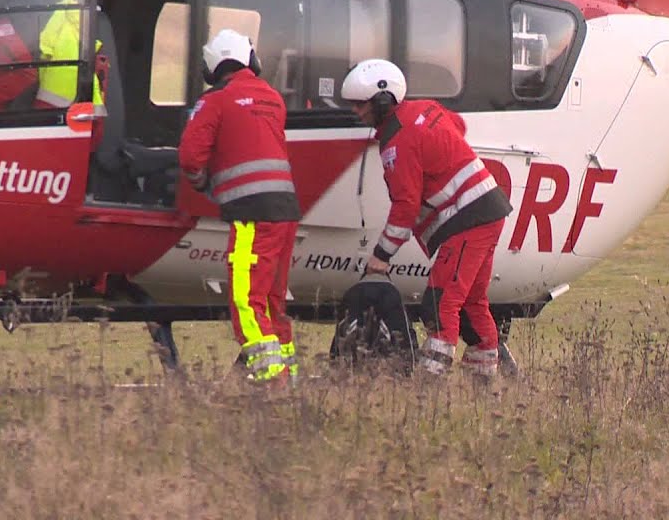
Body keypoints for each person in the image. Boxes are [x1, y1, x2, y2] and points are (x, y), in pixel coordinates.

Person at [340, 59, 513, 377]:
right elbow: (457, 125)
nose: (357, 112)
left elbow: (404, 206)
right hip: (488, 210)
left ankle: (430, 383)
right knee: (472, 301)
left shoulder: (397, 143)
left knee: (440, 301)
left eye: (360, 105)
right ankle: (486, 378)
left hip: (468, 221)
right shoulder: (424, 108)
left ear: (382, 101)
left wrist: (381, 256)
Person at [178, 29, 302, 385]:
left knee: (246, 300)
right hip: (286, 212)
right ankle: (289, 378)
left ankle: (272, 383)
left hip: (251, 214)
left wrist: (202, 183)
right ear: (251, 61)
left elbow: (190, 156)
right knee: (273, 300)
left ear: (212, 67)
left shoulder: (215, 100)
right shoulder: (273, 98)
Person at [36, 0, 103, 108]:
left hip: (48, 98)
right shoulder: (81, 25)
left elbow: (44, 47)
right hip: (66, 104)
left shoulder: (61, 14)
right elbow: (45, 47)